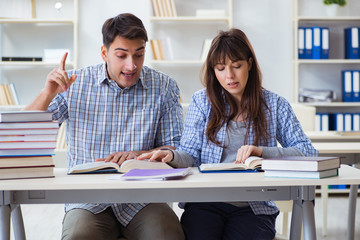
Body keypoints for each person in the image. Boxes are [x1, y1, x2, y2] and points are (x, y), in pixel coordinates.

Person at [138, 28, 318, 240]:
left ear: (249, 64)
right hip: (206, 203)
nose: (229, 76)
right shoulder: (201, 101)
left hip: (254, 207)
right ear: (213, 71)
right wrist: (172, 156)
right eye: (221, 68)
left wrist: (262, 152)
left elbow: (308, 152)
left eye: (236, 66)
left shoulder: (274, 105)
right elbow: (190, 155)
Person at [25, 13, 185, 240]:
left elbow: (176, 149)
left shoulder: (164, 87)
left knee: (167, 235)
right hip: (87, 201)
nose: (132, 65)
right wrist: (47, 93)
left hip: (144, 199)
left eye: (139, 55)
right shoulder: (73, 84)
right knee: (78, 236)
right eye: (122, 55)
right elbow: (24, 134)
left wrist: (137, 156)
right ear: (104, 53)